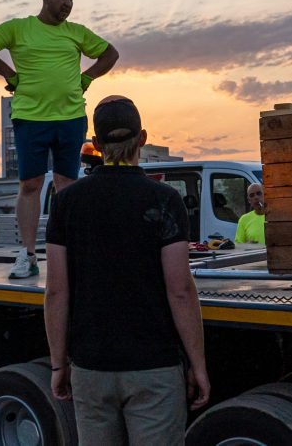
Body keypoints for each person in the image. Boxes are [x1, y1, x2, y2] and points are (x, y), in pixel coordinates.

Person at [44, 96, 210, 445]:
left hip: (91, 368)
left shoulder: (65, 202)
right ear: (143, 138)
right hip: (154, 369)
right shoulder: (164, 200)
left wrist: (59, 364)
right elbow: (180, 288)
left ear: (96, 144)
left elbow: (57, 290)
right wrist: (198, 365)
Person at [0, 0, 119, 277]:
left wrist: (87, 78)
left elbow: (110, 53)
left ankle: (69, 252)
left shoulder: (76, 33)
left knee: (67, 186)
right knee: (30, 184)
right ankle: (27, 255)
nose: (68, 4)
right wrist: (9, 74)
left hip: (70, 117)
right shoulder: (19, 28)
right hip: (30, 118)